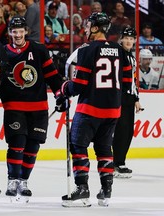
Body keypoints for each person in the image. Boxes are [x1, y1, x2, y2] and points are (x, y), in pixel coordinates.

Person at [59, 12, 132, 207]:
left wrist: (64, 88)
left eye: (89, 24)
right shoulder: (120, 50)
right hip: (113, 110)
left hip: (90, 109)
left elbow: (79, 84)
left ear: (95, 28)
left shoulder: (86, 50)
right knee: (104, 149)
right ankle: (106, 190)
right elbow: (127, 83)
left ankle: (82, 188)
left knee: (78, 146)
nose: (86, 27)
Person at [0, 16, 64, 202]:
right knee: (17, 144)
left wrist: (59, 93)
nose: (17, 35)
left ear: (26, 31)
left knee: (32, 146)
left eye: (20, 31)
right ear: (9, 33)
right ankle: (12, 180)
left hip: (38, 107)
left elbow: (51, 75)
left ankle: (23, 181)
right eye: (14, 31)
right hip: (14, 106)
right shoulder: (3, 53)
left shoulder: (39, 50)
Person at [113, 26, 143, 178]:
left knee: (127, 131)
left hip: (129, 98)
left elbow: (134, 80)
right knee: (120, 131)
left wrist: (136, 98)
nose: (129, 41)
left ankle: (119, 161)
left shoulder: (131, 57)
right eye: (127, 38)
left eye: (132, 39)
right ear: (121, 39)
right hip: (120, 98)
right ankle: (116, 163)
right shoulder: (118, 55)